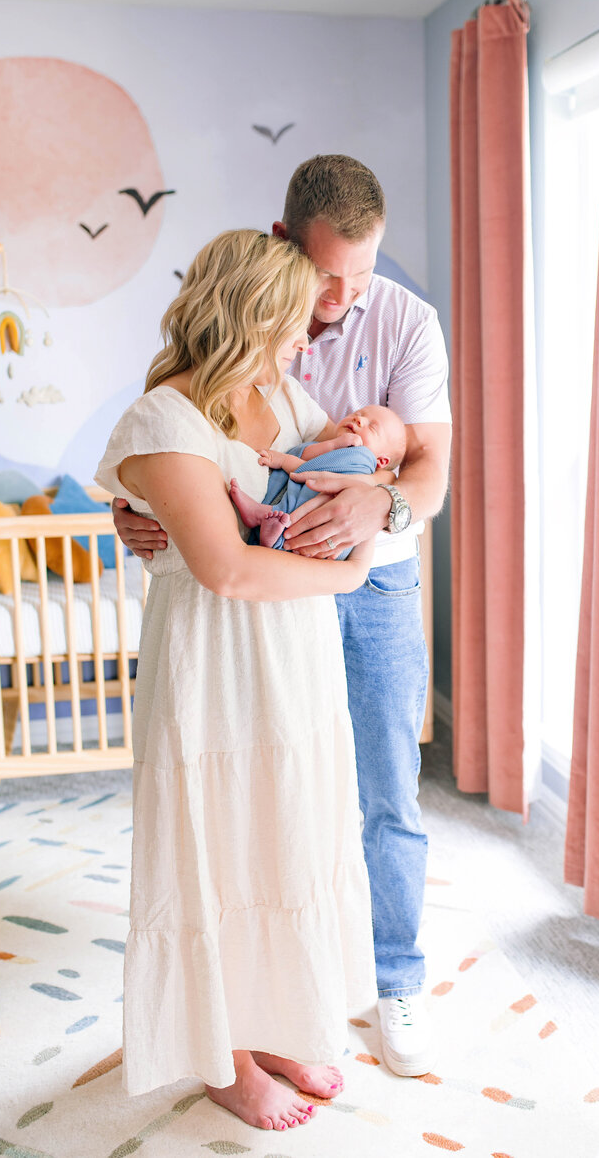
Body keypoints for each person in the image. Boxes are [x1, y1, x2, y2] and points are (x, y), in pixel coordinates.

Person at [113, 155, 452, 1078]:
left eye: (360, 274)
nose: (339, 301)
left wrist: (376, 505)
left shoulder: (398, 329)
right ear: (283, 252)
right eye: (326, 279)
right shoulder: (240, 346)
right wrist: (146, 505)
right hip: (245, 625)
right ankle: (237, 1042)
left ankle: (384, 986)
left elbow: (428, 471)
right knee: (246, 818)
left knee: (368, 795)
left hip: (353, 586)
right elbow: (196, 469)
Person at [96, 229, 377, 1132]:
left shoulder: (279, 394)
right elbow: (228, 570)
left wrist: (364, 508)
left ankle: (279, 1018)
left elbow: (348, 485)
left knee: (287, 832)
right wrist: (345, 574)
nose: (307, 342)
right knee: (219, 845)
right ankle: (228, 1055)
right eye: (295, 323)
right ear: (254, 315)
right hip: (215, 662)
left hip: (292, 657)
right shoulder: (162, 421)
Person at [229, 403, 407, 554]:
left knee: (312, 500)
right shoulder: (333, 448)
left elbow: (308, 468)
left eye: (372, 427)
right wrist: (333, 445)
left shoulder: (361, 459)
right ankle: (271, 533)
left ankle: (265, 518)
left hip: (325, 527)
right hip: (306, 537)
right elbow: (307, 457)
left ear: (382, 461)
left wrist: (283, 460)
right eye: (356, 414)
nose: (358, 420)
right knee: (294, 501)